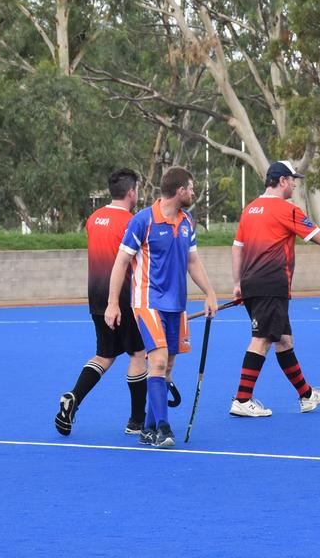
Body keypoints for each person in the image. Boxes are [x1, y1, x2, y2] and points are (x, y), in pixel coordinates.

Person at [228, 161, 320, 418]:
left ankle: (306, 395)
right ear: (282, 180)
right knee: (261, 339)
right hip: (271, 283)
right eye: (293, 179)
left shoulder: (250, 209)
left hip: (254, 282)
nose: (295, 184)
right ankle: (242, 399)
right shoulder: (287, 209)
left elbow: (237, 247)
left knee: (283, 340)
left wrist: (238, 283)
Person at [105, 167, 220, 449]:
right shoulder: (142, 221)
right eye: (191, 188)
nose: (193, 193)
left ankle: (147, 426)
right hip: (147, 302)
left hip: (176, 305)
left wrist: (210, 293)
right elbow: (121, 262)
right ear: (180, 190)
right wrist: (112, 304)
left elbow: (192, 262)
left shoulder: (187, 221)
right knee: (156, 361)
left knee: (167, 367)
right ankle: (163, 428)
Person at [55, 169, 148, 437]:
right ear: (131, 192)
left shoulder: (94, 219)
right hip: (123, 298)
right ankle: (136, 421)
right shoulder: (132, 222)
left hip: (96, 296)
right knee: (137, 354)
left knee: (105, 355)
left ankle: (74, 397)